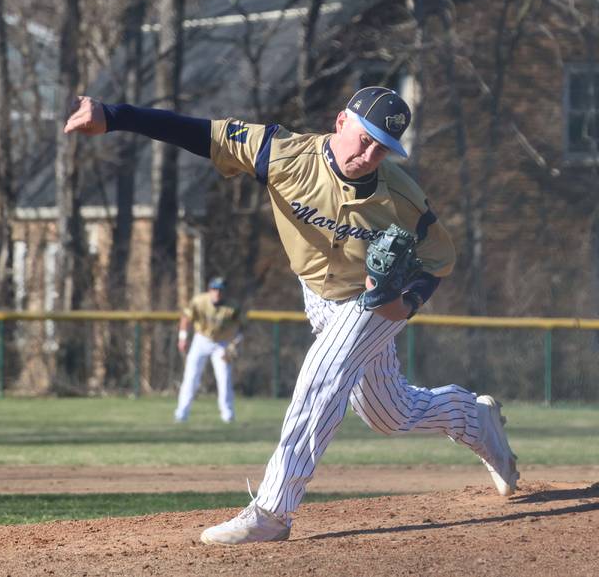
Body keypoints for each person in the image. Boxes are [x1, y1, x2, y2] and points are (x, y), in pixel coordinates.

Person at [64, 86, 519, 545]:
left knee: (322, 375)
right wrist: (114, 115)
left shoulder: (402, 198)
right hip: (317, 295)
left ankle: (272, 512)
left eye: (382, 147)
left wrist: (405, 304)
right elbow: (202, 134)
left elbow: (440, 258)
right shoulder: (281, 153)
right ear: (341, 122)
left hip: (373, 302)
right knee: (389, 413)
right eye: (364, 137)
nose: (369, 153)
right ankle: (473, 417)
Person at [175, 276, 243, 424]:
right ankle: (181, 413)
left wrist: (234, 345)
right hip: (201, 340)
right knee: (191, 377)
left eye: (220, 290)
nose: (217, 293)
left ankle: (228, 415)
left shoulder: (233, 306)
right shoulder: (199, 301)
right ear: (209, 290)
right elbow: (186, 318)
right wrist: (183, 337)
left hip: (221, 343)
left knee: (224, 378)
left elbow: (240, 327)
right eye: (214, 289)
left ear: (224, 292)